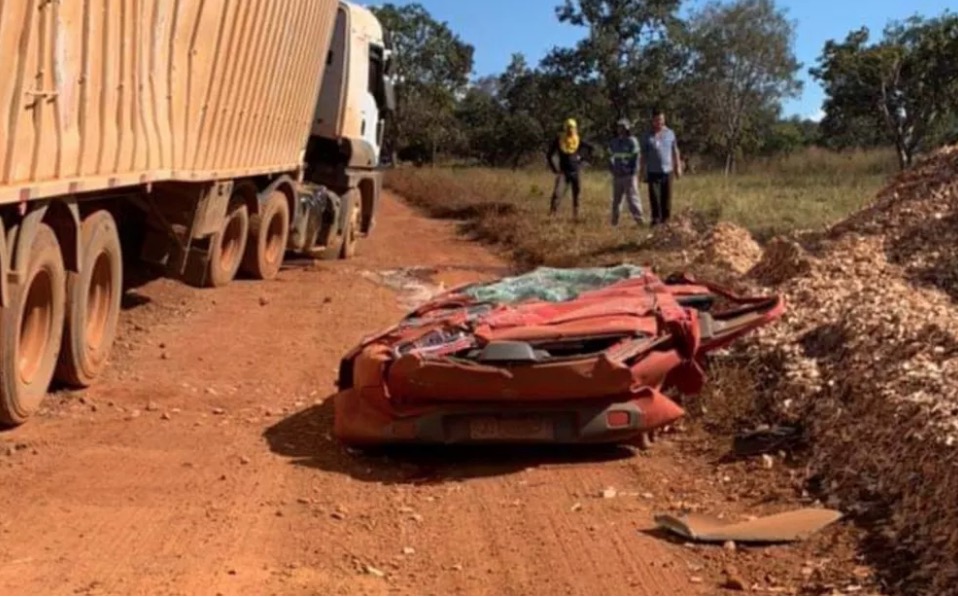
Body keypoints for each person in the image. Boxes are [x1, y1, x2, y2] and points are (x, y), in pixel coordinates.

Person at [639, 108, 682, 226]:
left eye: (661, 120)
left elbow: (675, 151)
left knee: (666, 198)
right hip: (653, 172)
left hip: (667, 171)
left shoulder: (670, 133)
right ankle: (656, 220)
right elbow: (643, 155)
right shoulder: (647, 136)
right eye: (657, 120)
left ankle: (666, 221)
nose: (659, 122)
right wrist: (641, 171)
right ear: (652, 121)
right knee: (654, 197)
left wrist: (678, 166)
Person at [547, 118, 593, 220]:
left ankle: (576, 216)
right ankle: (552, 215)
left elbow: (590, 148)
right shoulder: (559, 139)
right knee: (557, 193)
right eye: (568, 128)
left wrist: (582, 158)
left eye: (572, 128)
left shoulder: (578, 139)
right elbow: (549, 155)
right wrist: (554, 169)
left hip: (576, 172)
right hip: (563, 172)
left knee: (576, 194)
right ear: (565, 128)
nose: (570, 130)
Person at [607, 118, 644, 226]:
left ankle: (640, 221)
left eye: (623, 127)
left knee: (633, 199)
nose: (620, 129)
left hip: (629, 175)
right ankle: (614, 222)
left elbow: (637, 157)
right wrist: (612, 168)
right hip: (617, 175)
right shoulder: (614, 142)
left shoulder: (632, 141)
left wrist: (633, 171)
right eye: (619, 127)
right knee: (616, 201)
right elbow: (610, 157)